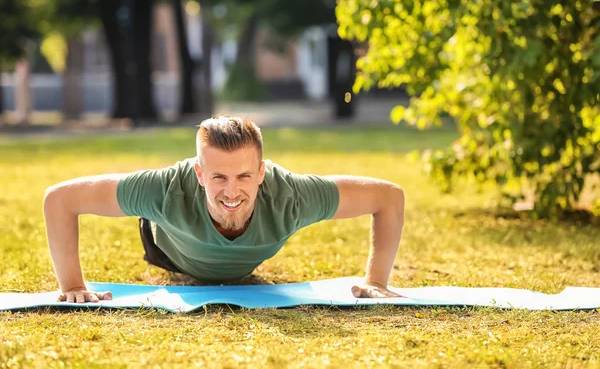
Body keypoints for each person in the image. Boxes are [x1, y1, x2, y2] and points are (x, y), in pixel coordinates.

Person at [43, 116, 405, 304]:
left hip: (247, 256)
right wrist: (72, 285)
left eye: (244, 175)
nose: (231, 191)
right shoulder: (165, 189)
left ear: (261, 173)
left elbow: (388, 197)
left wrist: (376, 281)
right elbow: (60, 199)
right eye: (218, 176)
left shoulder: (291, 194)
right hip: (173, 251)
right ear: (200, 173)